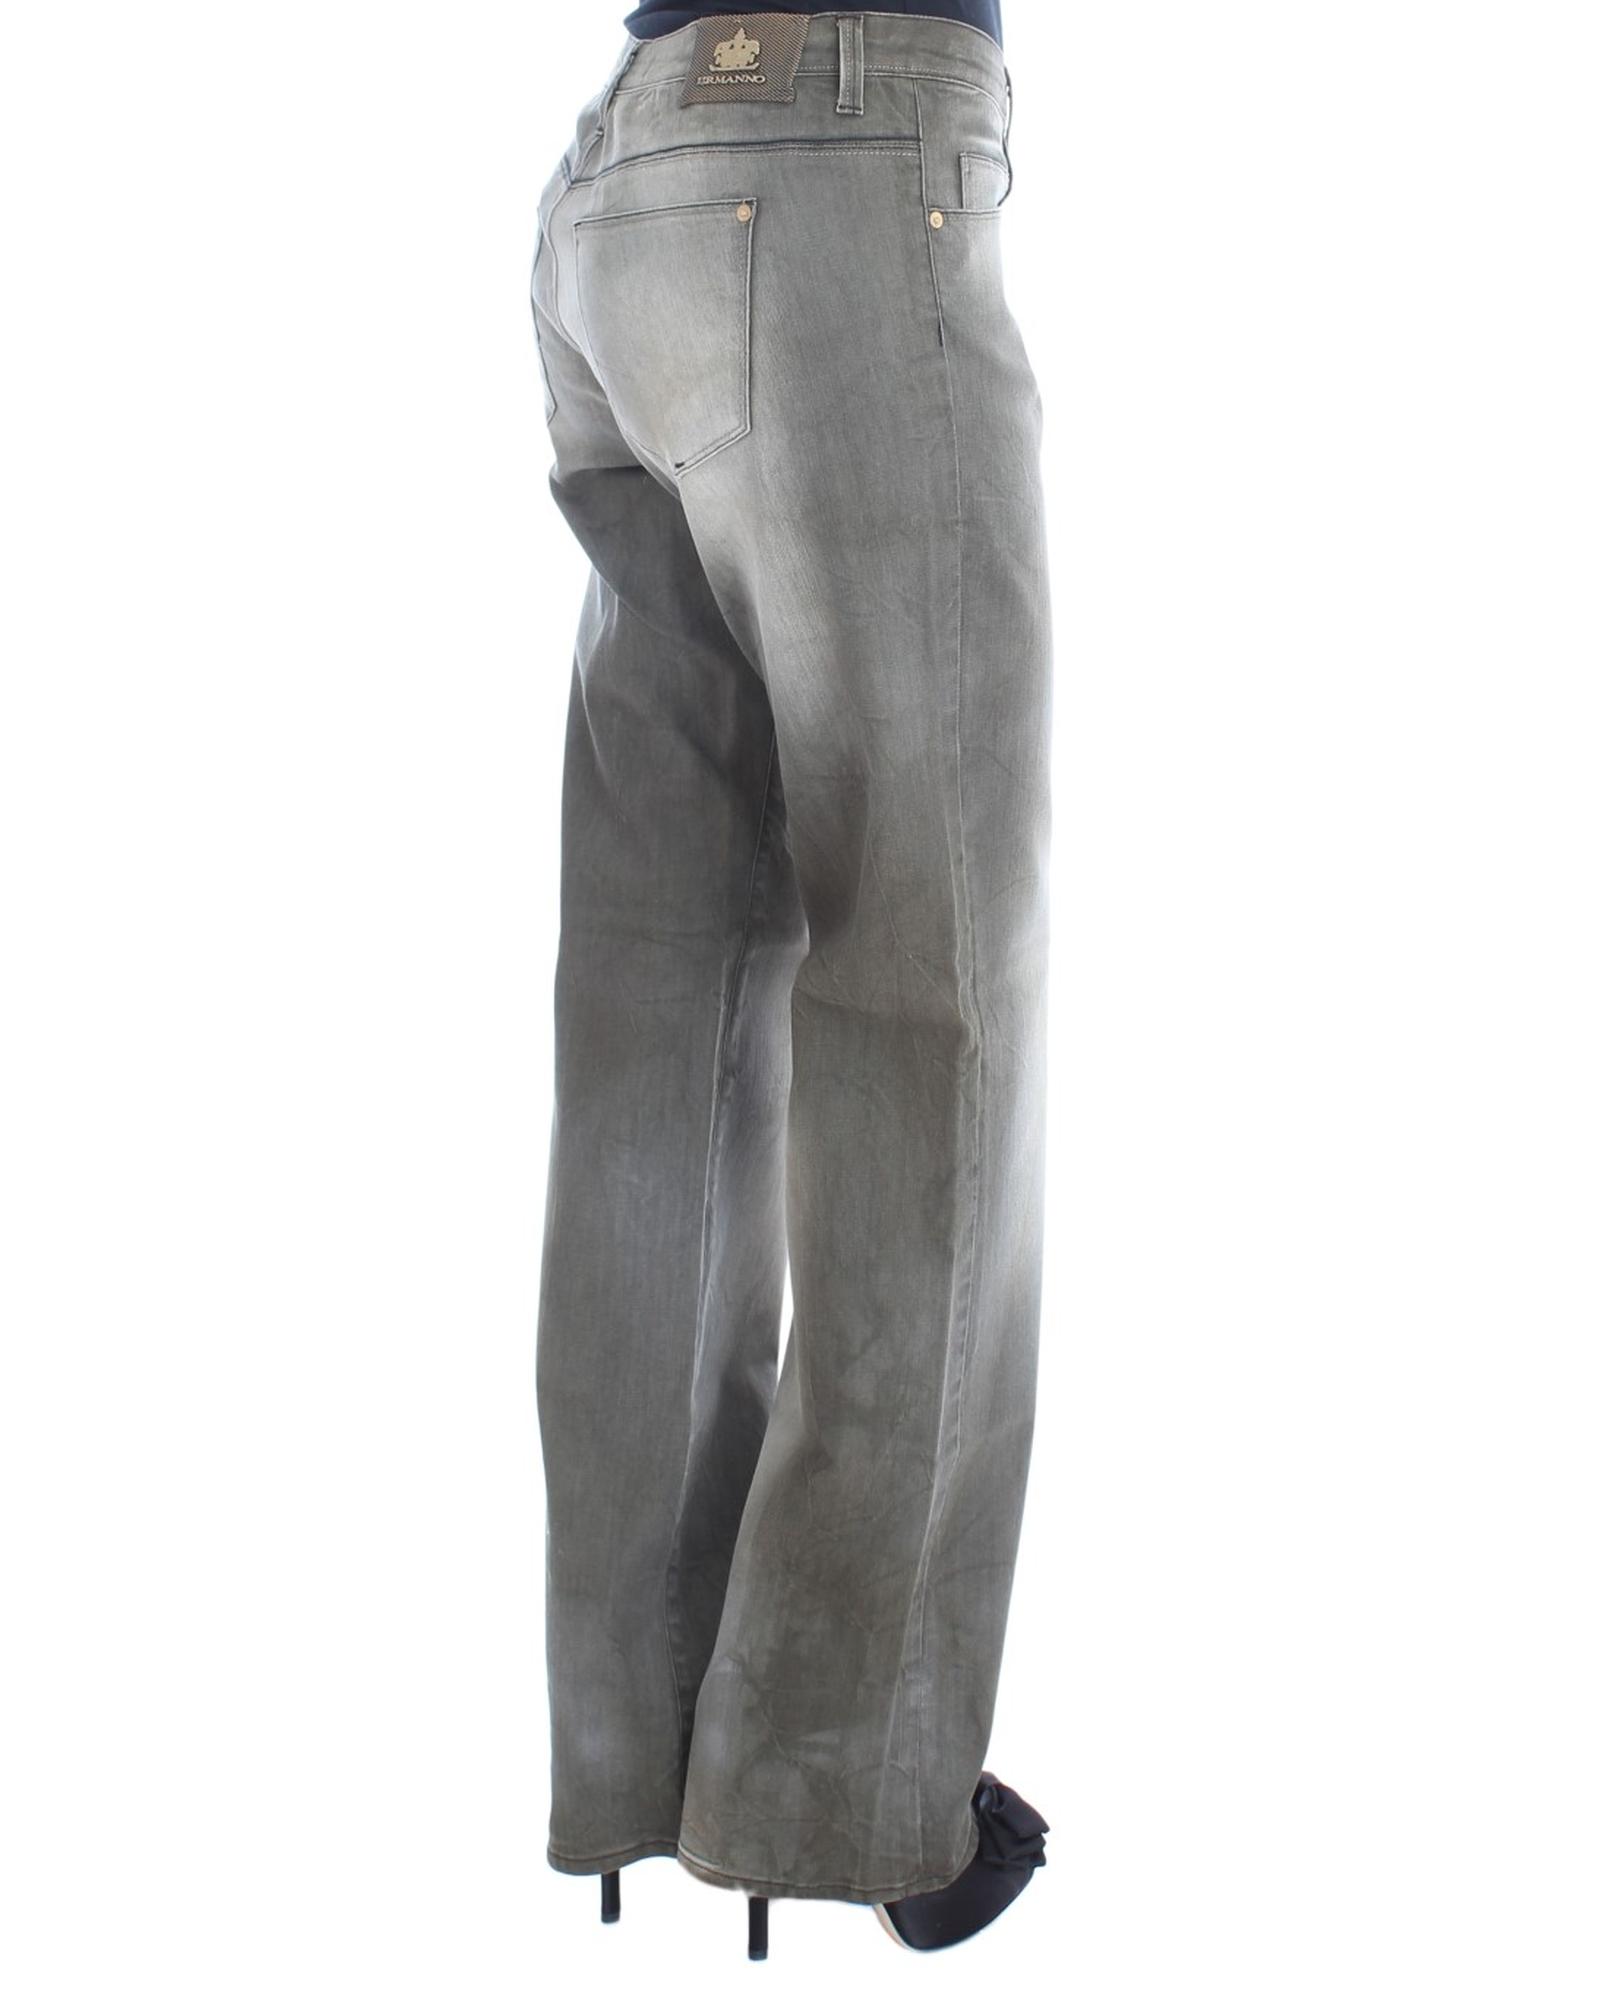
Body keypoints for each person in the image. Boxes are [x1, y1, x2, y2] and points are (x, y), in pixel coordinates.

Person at [529, 5, 1052, 1955]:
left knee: (657, 1004)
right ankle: (834, 1781)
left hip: (624, 187)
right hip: (843, 150)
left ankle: (635, 1745)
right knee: (929, 974)